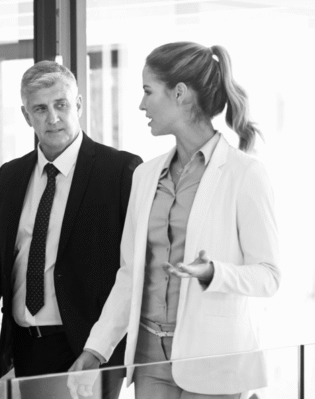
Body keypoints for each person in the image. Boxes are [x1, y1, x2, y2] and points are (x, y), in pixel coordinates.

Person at [69, 42, 281, 398]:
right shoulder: (145, 175)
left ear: (179, 93)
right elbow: (129, 275)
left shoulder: (245, 174)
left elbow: (269, 276)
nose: (142, 104)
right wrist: (97, 348)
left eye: (148, 91)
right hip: (149, 358)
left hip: (214, 359)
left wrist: (213, 272)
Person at [0, 61, 141, 397]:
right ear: (25, 115)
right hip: (27, 347)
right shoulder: (11, 177)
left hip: (90, 348)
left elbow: (134, 269)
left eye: (61, 105)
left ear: (78, 105)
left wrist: (103, 348)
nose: (53, 118)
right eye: (40, 109)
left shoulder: (120, 171)